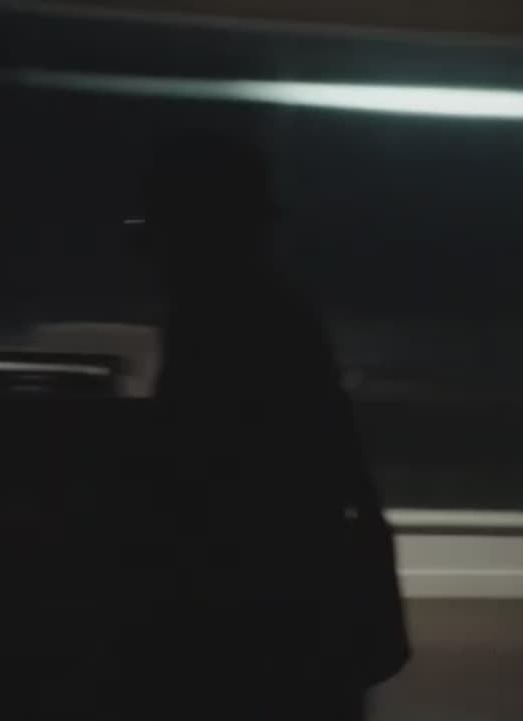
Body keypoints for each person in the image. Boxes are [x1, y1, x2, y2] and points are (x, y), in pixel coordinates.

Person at [134, 131, 408, 721]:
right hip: (294, 589)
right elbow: (336, 443)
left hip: (249, 594)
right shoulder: (278, 313)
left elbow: (198, 469)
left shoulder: (213, 322)